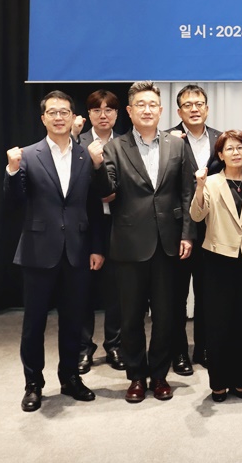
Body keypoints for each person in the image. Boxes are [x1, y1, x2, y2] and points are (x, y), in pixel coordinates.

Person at [88, 81, 196, 403]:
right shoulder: (114, 147)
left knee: (166, 316)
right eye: (141, 105)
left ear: (160, 111)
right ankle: (136, 376)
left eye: (152, 105)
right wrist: (96, 165)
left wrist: (187, 233)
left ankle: (159, 375)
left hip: (168, 243)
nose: (147, 110)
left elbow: (187, 192)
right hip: (129, 243)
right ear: (130, 111)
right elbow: (105, 191)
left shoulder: (177, 145)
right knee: (131, 317)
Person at [4, 90, 103, 412]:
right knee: (34, 323)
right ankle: (33, 384)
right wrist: (12, 170)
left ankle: (70, 378)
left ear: (73, 117)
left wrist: (97, 247)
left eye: (64, 112)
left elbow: (94, 205)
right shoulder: (27, 155)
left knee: (73, 321)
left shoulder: (86, 156)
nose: (58, 117)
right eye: (52, 112)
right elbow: (14, 203)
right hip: (38, 251)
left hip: (77, 250)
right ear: (43, 118)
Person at [190, 130, 242, 402]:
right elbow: (197, 215)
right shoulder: (210, 182)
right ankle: (219, 383)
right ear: (220, 155)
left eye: (241, 147)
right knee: (219, 322)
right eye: (230, 148)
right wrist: (199, 186)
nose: (236, 152)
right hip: (217, 258)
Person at [167, 84, 223, 376]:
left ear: (207, 108)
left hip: (214, 230)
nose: (194, 109)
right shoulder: (167, 139)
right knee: (176, 296)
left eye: (199, 103)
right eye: (187, 105)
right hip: (178, 230)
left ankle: (204, 348)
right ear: (179, 111)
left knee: (209, 294)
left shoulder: (221, 139)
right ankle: (178, 352)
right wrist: (184, 233)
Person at [76, 89, 124, 374]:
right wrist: (99, 195)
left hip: (119, 224)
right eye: (97, 110)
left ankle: (114, 345)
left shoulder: (126, 143)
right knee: (82, 290)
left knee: (117, 291)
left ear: (117, 113)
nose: (103, 115)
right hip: (86, 226)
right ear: (89, 113)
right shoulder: (77, 143)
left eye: (109, 109)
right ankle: (84, 348)